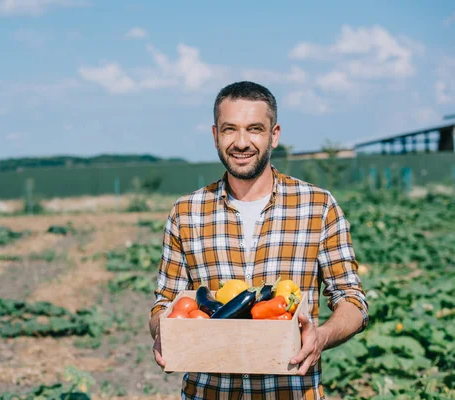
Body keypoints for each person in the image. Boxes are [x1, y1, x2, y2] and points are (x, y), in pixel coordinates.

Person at [149, 81, 368, 399]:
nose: (241, 142)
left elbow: (352, 300)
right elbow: (164, 304)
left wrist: (321, 337)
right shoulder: (186, 212)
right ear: (215, 136)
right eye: (229, 129)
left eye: (254, 129)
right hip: (209, 392)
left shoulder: (318, 206)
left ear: (274, 135)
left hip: (291, 391)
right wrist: (163, 332)